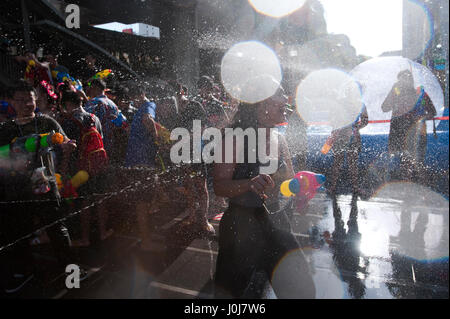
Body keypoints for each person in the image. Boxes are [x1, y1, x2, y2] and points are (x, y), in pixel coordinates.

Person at [213, 87, 315, 298]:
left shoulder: (280, 138)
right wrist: (249, 183)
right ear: (261, 103)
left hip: (277, 225)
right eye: (279, 92)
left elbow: (287, 184)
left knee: (302, 292)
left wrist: (301, 188)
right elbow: (219, 186)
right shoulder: (235, 138)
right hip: (240, 228)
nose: (285, 99)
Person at [0, 80, 80, 293]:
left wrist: (66, 148)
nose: (27, 104)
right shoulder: (6, 129)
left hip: (46, 186)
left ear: (36, 100)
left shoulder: (46, 123)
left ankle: (72, 271)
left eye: (30, 99)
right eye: (21, 100)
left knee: (58, 229)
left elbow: (67, 142)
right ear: (11, 102)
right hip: (18, 190)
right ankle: (25, 273)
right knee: (18, 234)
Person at [58, 90, 112, 246]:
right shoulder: (94, 118)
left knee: (84, 202)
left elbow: (69, 148)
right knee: (100, 199)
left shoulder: (69, 122)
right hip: (98, 165)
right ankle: (103, 232)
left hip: (80, 169)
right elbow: (101, 140)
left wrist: (63, 169)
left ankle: (84, 238)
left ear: (67, 104)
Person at [382, 70, 437, 181]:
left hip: (413, 130)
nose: (403, 82)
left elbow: (432, 112)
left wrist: (421, 118)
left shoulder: (419, 93)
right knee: (405, 157)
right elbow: (384, 107)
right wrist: (394, 93)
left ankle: (410, 180)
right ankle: (408, 180)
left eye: (406, 79)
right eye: (401, 80)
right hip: (400, 128)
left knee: (412, 157)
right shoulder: (397, 93)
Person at [327, 105, 369, 200]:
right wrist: (356, 127)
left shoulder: (341, 101)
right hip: (351, 134)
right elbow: (365, 120)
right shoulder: (359, 103)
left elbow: (332, 119)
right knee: (351, 162)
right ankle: (354, 187)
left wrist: (336, 130)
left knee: (339, 161)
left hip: (342, 135)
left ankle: (333, 186)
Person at [84, 78, 127, 165]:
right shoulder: (113, 104)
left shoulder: (93, 102)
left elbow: (84, 119)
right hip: (110, 145)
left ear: (94, 88)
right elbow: (122, 122)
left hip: (96, 145)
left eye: (90, 87)